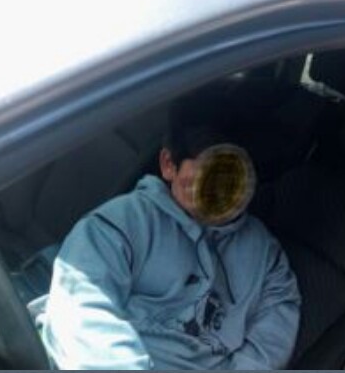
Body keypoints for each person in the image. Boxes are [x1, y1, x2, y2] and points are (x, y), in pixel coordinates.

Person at [32, 117, 301, 369]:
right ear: (169, 164)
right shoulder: (122, 224)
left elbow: (274, 329)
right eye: (211, 170)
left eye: (234, 174)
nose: (222, 187)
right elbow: (82, 314)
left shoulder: (264, 253)